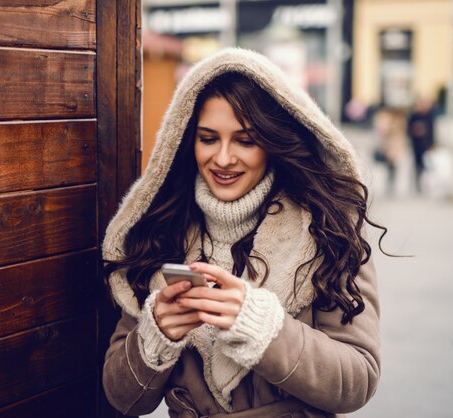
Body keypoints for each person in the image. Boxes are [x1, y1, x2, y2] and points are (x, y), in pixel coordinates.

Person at [102, 48, 385, 418]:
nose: (222, 159)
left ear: (273, 143)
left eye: (245, 140)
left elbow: (357, 380)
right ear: (186, 142)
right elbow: (121, 398)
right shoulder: (160, 232)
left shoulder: (325, 228)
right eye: (208, 138)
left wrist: (263, 328)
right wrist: (156, 335)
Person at [373, 106, 407, 196]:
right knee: (390, 169)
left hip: (393, 150)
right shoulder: (392, 125)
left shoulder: (397, 126)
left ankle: (390, 186)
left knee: (392, 169)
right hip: (391, 151)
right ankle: (390, 186)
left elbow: (399, 141)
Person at [407, 98, 436, 194]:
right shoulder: (414, 116)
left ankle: (426, 184)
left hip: (426, 145)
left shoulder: (429, 116)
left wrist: (432, 144)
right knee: (417, 165)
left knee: (427, 166)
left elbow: (432, 131)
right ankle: (417, 184)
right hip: (416, 145)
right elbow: (408, 130)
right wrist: (415, 130)